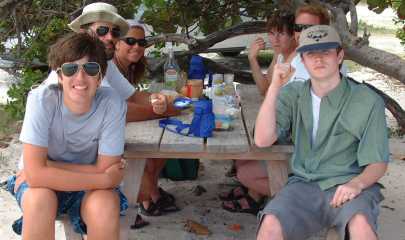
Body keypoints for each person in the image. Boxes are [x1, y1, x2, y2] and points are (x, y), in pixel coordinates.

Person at [255, 25, 389, 240]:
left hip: (349, 184)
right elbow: (262, 140)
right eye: (311, 54)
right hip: (304, 185)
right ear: (302, 60)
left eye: (326, 52)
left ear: (340, 56)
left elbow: (378, 162)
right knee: (270, 224)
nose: (318, 59)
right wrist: (274, 87)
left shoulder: (367, 101)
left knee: (361, 225)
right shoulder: (293, 94)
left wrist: (356, 184)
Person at [6, 33, 128, 240]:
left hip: (91, 185)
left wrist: (47, 166)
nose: (80, 78)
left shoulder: (112, 103)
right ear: (60, 75)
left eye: (90, 69)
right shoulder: (41, 100)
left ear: (100, 77)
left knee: (104, 205)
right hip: (52, 185)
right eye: (71, 69)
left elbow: (106, 169)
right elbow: (35, 178)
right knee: (38, 199)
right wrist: (104, 177)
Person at [220, 11, 297, 215]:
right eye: (271, 33)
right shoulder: (281, 55)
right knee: (240, 160)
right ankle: (252, 194)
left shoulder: (297, 63)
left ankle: (296, 197)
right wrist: (252, 59)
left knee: (245, 172)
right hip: (275, 124)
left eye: (281, 33)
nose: (275, 39)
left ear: (294, 34)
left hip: (290, 134)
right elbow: (265, 89)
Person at [43, 2, 169, 116]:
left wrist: (156, 99)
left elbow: (133, 97)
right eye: (102, 30)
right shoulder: (79, 63)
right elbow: (112, 110)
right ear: (83, 32)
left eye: (115, 32)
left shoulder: (106, 63)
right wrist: (162, 111)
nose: (110, 37)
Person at [113, 20, 180, 228]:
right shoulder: (108, 66)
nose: (137, 47)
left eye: (142, 43)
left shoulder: (129, 67)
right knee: (155, 144)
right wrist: (162, 109)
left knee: (161, 148)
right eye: (130, 41)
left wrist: (159, 100)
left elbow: (135, 96)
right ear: (116, 43)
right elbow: (122, 109)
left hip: (121, 127)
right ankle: (143, 199)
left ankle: (151, 194)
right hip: (110, 137)